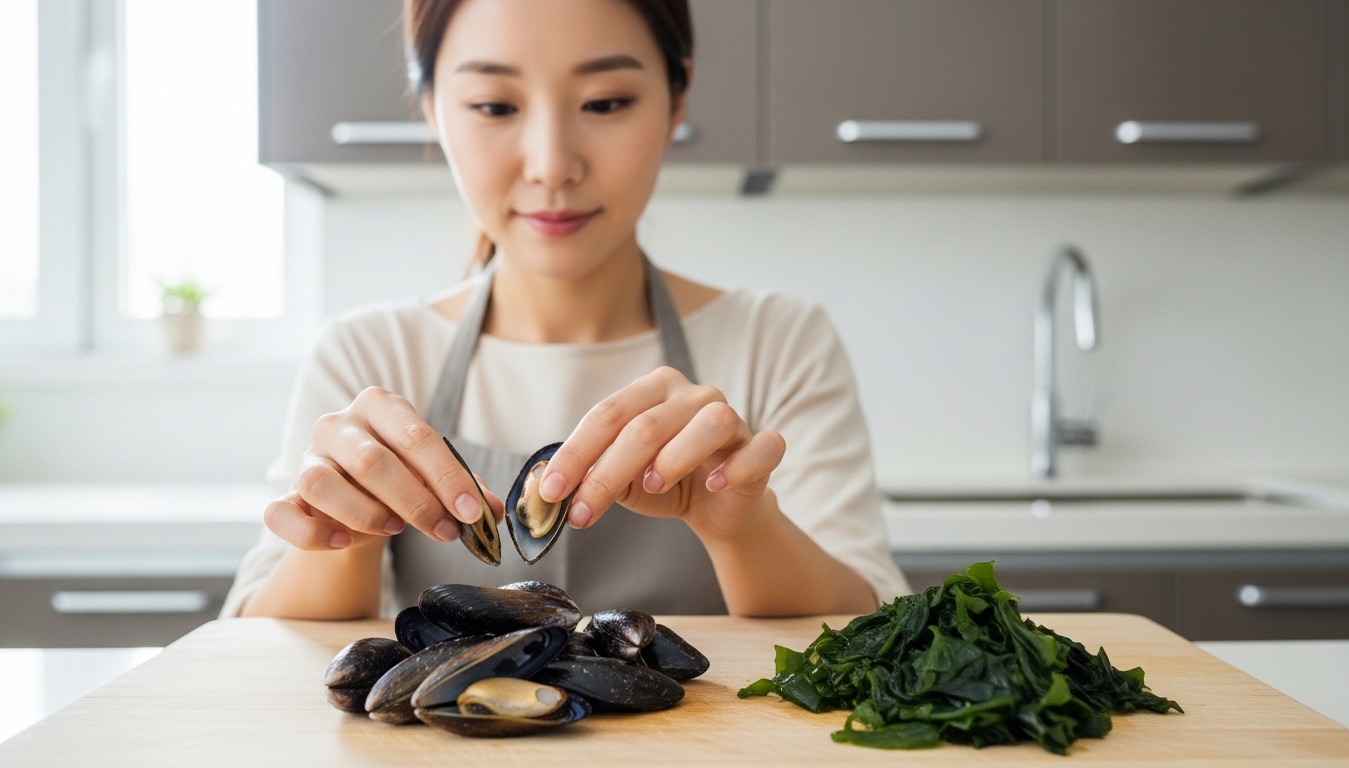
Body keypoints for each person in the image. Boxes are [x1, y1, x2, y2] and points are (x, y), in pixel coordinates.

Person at [223, 0, 908, 621]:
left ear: (676, 100)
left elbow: (877, 618)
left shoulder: (779, 342)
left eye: (606, 102)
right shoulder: (366, 353)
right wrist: (346, 536)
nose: (552, 165)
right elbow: (251, 646)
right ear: (431, 106)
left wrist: (745, 526)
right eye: (495, 105)